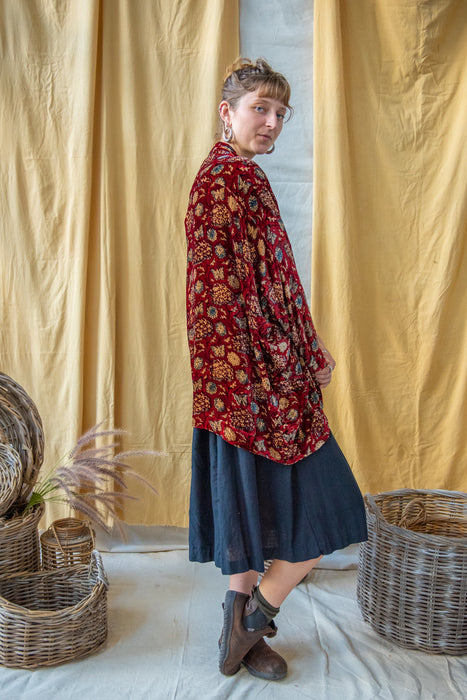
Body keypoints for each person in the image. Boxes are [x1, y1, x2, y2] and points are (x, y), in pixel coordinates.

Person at [185, 57, 367, 682]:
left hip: (244, 377)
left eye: (281, 114)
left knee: (250, 510)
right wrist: (300, 359)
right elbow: (246, 295)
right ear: (227, 112)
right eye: (260, 108)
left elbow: (268, 282)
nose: (271, 122)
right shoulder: (230, 180)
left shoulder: (229, 176)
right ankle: (255, 618)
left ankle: (238, 631)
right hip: (254, 379)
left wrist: (303, 348)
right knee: (326, 509)